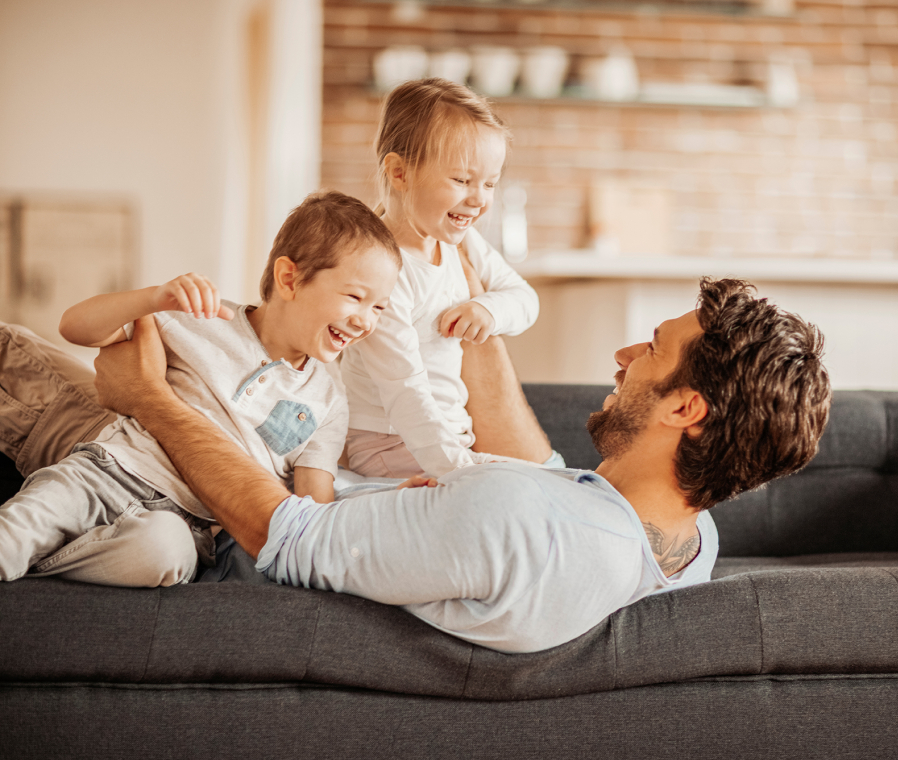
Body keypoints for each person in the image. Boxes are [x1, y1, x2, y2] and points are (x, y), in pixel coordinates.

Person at [92, 277, 832, 652]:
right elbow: (533, 469)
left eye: (652, 350)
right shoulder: (684, 544)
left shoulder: (520, 525)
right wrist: (472, 308)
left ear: (685, 409)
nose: (624, 359)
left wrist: (153, 399)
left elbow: (283, 534)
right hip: (258, 459)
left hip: (192, 516)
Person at [0, 191, 400, 587]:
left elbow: (315, 512)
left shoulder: (328, 402)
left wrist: (389, 501)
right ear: (289, 278)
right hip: (106, 472)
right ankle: (27, 548)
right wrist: (155, 298)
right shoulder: (199, 319)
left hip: (183, 526)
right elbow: (74, 326)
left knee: (164, 554)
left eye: (379, 308)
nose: (366, 321)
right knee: (13, 537)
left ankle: (41, 565)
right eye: (355, 297)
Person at [341, 77, 561, 479]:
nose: (479, 199)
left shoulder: (462, 244)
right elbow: (403, 390)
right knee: (518, 491)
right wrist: (458, 471)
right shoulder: (381, 269)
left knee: (537, 487)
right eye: (461, 180)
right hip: (390, 443)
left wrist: (488, 308)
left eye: (490, 183)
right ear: (400, 172)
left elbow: (525, 298)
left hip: (446, 437)